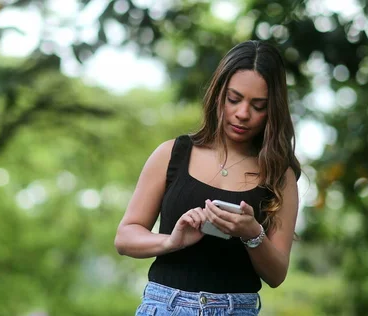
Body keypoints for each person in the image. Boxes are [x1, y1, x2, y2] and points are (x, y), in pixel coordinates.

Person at [114, 40, 301, 316]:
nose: (242, 113)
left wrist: (252, 234)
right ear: (218, 95)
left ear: (272, 109)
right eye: (234, 99)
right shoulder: (172, 154)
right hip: (166, 307)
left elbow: (276, 275)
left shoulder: (279, 175)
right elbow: (125, 237)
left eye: (258, 106)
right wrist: (170, 242)